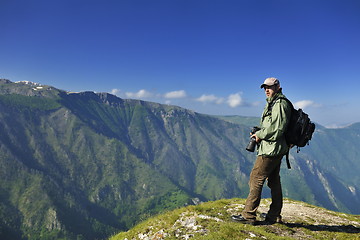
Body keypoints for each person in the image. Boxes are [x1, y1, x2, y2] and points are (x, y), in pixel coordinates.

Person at [232, 77, 291, 225]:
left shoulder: (280, 104)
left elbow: (278, 129)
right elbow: (273, 125)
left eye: (270, 87)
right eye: (265, 87)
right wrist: (261, 130)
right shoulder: (273, 103)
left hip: (271, 150)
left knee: (256, 178)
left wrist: (260, 135)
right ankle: (274, 215)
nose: (267, 89)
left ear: (278, 87)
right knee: (274, 181)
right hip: (275, 148)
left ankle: (248, 216)